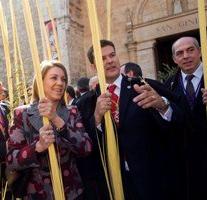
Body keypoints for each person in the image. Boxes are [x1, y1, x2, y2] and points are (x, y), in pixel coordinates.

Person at [77, 39, 184, 200]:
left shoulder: (142, 87)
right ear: (93, 67)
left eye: (112, 55)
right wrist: (97, 118)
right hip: (112, 185)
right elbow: (85, 147)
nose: (110, 60)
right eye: (103, 58)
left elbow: (179, 120)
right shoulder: (86, 103)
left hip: (151, 180)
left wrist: (163, 106)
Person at [6, 60, 92, 199]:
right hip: (38, 195)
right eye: (54, 78)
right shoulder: (22, 115)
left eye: (63, 79)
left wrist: (57, 120)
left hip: (72, 193)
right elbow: (12, 160)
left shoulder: (72, 111)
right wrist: (38, 147)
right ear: (40, 82)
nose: (60, 83)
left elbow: (86, 148)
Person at [164, 36, 207, 200]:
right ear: (174, 59)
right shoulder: (168, 84)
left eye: (190, 50)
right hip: (186, 164)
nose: (185, 56)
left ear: (200, 51)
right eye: (179, 53)